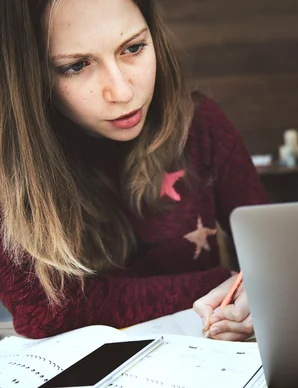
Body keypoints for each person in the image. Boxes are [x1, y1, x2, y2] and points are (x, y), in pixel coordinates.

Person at [0, 0, 267, 341]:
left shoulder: (200, 124)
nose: (123, 92)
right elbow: (43, 311)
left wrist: (249, 290)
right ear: (30, 74)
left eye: (133, 47)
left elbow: (272, 257)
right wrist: (216, 281)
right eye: (77, 66)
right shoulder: (12, 162)